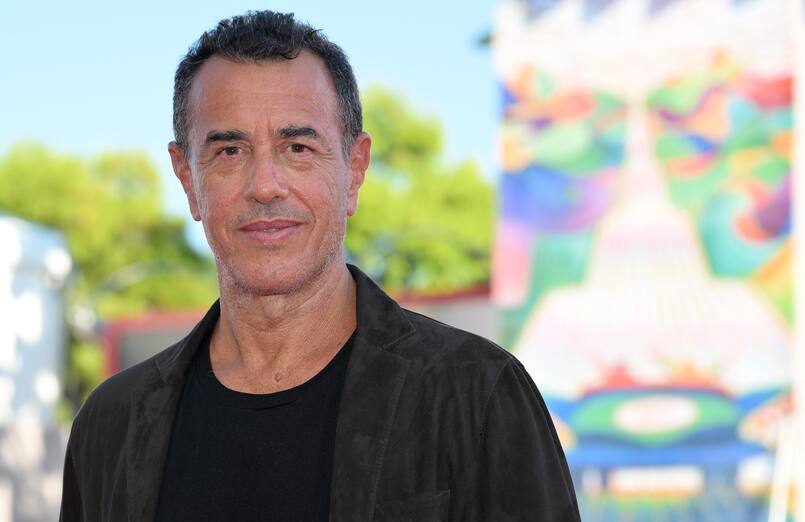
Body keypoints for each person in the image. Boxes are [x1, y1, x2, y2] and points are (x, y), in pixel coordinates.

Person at [59, 11, 580, 521]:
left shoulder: (476, 396)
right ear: (187, 177)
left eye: (298, 147)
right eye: (230, 150)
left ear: (354, 169)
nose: (265, 185)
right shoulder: (111, 427)